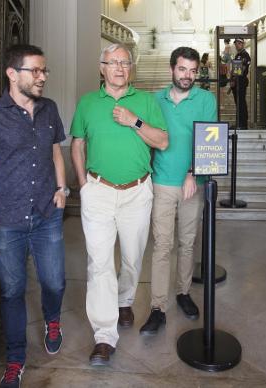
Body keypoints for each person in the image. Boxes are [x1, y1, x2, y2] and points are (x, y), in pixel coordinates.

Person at [0, 44, 68, 388]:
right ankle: (15, 359)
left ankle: (52, 319)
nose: (42, 77)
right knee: (12, 291)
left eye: (44, 71)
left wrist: (62, 188)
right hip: (6, 221)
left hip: (46, 214)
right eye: (35, 71)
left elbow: (56, 150)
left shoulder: (50, 109)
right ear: (12, 74)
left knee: (54, 281)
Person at [70, 43, 168, 365]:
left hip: (137, 192)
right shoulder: (87, 103)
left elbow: (163, 141)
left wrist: (134, 121)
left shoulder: (146, 101)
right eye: (113, 62)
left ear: (131, 68)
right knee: (98, 264)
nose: (119, 68)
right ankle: (104, 335)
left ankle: (125, 298)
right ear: (102, 68)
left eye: (125, 62)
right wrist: (84, 186)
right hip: (98, 191)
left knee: (132, 256)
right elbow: (78, 144)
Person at [139, 47, 217, 335]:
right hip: (160, 181)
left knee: (187, 242)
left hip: (190, 184)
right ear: (172, 69)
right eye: (183, 69)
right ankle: (158, 307)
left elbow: (210, 141)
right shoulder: (154, 99)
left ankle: (183, 293)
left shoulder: (205, 99)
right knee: (162, 245)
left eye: (193, 70)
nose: (188, 75)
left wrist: (192, 173)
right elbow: (145, 136)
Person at [230, 37, 251, 128]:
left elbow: (240, 70)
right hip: (237, 82)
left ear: (243, 44)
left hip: (241, 82)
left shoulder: (245, 55)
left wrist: (234, 79)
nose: (237, 45)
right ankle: (239, 123)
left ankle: (242, 124)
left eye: (239, 43)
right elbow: (235, 69)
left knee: (241, 102)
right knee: (238, 103)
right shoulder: (238, 55)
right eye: (236, 43)